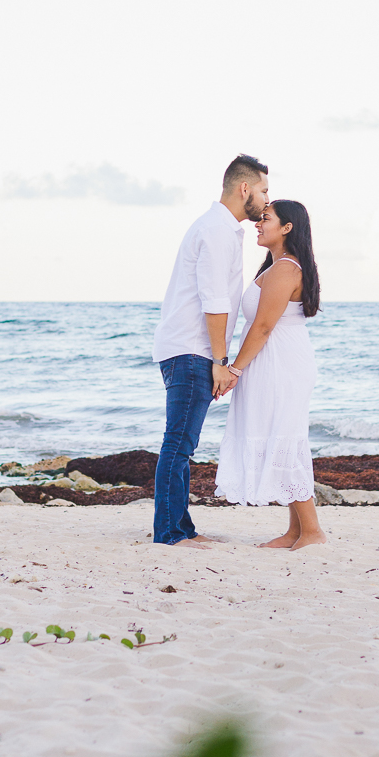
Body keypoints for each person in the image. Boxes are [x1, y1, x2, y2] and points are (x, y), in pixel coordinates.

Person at [152, 154, 269, 546]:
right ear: (244, 188)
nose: (267, 200)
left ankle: (181, 528)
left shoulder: (221, 228)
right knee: (178, 443)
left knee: (182, 443)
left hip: (188, 348)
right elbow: (214, 303)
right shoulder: (217, 231)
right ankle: (169, 532)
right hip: (192, 349)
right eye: (264, 190)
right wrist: (221, 361)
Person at [214, 200, 326, 550]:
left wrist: (234, 369)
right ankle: (296, 531)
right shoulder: (276, 267)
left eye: (265, 219)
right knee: (281, 434)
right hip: (273, 360)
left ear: (287, 227)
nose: (257, 225)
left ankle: (312, 531)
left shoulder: (286, 269)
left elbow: (262, 327)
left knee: (284, 438)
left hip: (280, 363)